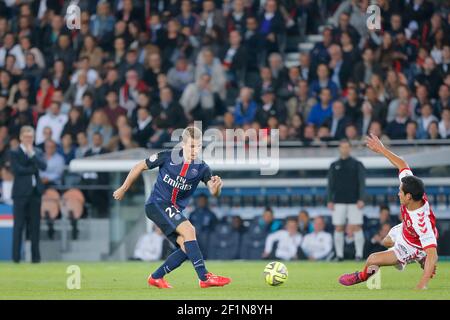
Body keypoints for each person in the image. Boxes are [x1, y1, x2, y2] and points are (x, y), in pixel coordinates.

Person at [113, 127, 231, 289]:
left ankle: (156, 277)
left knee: (186, 246)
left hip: (172, 210)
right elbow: (139, 166)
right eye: (191, 146)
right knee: (189, 230)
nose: (195, 150)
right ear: (183, 144)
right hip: (157, 204)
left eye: (198, 146)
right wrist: (123, 188)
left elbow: (213, 191)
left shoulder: (202, 168)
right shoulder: (167, 157)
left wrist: (217, 187)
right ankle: (204, 277)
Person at [339, 134, 438, 290]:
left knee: (372, 259)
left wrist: (421, 285)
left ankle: (363, 276)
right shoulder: (412, 187)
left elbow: (433, 253)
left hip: (413, 244)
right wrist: (381, 149)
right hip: (406, 229)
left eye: (400, 192)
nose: (398, 193)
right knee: (386, 241)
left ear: (409, 196)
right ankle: (406, 260)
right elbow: (402, 164)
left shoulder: (421, 222)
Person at [10, 126, 47, 263]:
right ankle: (16, 258)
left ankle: (36, 259)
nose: (28, 139)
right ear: (20, 137)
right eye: (26, 137)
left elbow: (43, 166)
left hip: (35, 194)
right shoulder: (14, 152)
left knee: (35, 227)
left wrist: (32, 155)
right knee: (18, 226)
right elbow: (17, 169)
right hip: (20, 194)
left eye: (31, 137)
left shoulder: (36, 152)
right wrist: (32, 167)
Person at [327, 139, 366, 261]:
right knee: (338, 227)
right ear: (339, 148)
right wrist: (330, 200)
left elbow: (362, 183)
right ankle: (339, 255)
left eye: (347, 147)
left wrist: (361, 199)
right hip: (338, 201)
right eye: (342, 147)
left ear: (350, 148)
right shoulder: (334, 165)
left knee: (356, 227)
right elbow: (330, 184)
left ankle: (359, 254)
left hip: (354, 201)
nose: (345, 149)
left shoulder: (357, 164)